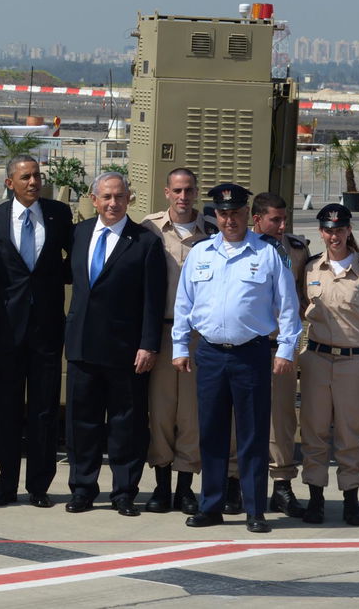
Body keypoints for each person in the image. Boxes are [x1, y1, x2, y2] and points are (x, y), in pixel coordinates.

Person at [171, 183, 300, 533]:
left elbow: (288, 307)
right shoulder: (201, 253)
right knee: (211, 432)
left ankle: (255, 509)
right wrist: (180, 347)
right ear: (216, 215)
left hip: (252, 354)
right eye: (223, 213)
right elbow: (184, 304)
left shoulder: (268, 253)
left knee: (253, 434)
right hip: (210, 354)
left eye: (236, 213)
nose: (230, 220)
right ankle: (210, 505)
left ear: (248, 215)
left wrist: (286, 350)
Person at [63, 172, 166, 516]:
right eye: (106, 197)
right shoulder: (78, 234)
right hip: (81, 348)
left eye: (119, 197)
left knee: (127, 425)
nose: (113, 203)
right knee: (82, 424)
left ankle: (124, 491)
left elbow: (154, 300)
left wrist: (149, 345)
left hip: (126, 351)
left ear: (129, 199)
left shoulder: (145, 242)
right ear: (94, 200)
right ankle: (82, 488)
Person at [0, 154, 73, 507]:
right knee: (7, 411)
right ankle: (6, 485)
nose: (34, 182)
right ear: (10, 183)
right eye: (26, 177)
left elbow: (73, 260)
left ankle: (39, 487)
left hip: (47, 330)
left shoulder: (58, 215)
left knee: (44, 411)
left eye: (37, 176)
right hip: (7, 332)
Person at [298, 203, 359, 526]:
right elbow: (298, 313)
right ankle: (316, 499)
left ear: (349, 230)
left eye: (339, 229)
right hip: (317, 359)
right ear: (321, 232)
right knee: (314, 432)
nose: (333, 236)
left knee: (351, 434)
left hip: (353, 362)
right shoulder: (310, 269)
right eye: (327, 230)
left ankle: (351, 499)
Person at [140, 167, 215, 514]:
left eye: (189, 191)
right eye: (177, 191)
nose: (183, 197)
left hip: (199, 336)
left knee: (191, 415)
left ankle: (185, 486)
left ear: (196, 193)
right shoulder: (149, 229)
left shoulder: (211, 233)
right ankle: (161, 485)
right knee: (161, 412)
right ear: (166, 192)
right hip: (162, 333)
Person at [242, 192, 311, 518]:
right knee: (235, 419)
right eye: (275, 220)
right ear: (257, 219)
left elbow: (302, 298)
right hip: (242, 348)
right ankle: (232, 484)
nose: (282, 226)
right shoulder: (239, 246)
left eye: (285, 220)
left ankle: (281, 485)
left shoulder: (296, 250)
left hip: (278, 349)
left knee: (282, 420)